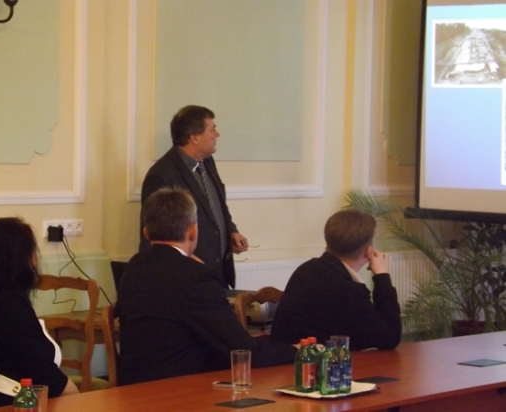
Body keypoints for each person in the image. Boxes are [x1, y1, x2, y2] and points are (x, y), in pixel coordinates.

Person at [118, 188, 297, 386]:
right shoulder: (196, 278)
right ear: (192, 231)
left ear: (146, 232)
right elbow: (243, 351)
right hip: (178, 390)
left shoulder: (133, 269)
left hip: (129, 388)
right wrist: (296, 350)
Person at [0, 217, 79, 409]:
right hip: (16, 405)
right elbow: (47, 377)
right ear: (24, 260)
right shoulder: (8, 307)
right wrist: (78, 398)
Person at [140, 105, 248, 289]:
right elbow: (155, 234)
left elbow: (214, 204)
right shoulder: (162, 175)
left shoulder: (207, 162)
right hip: (185, 278)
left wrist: (231, 230)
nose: (217, 134)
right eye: (212, 130)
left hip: (217, 273)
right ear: (194, 137)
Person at [270, 209, 402, 351]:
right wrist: (381, 275)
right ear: (368, 251)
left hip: (288, 358)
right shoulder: (346, 289)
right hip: (309, 362)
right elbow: (390, 336)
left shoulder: (306, 269)